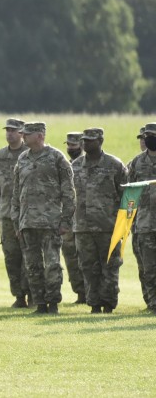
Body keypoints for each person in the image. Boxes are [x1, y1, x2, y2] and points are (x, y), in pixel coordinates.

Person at [11, 122, 75, 314]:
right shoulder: (22, 159)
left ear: (40, 136)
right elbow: (16, 194)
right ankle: (39, 303)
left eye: (27, 134)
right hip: (27, 223)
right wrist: (16, 222)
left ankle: (53, 303)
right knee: (32, 266)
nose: (23, 137)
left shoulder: (57, 158)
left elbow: (69, 193)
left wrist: (66, 221)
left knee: (53, 265)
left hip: (51, 223)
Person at [72, 128, 127, 313]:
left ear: (100, 141)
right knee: (88, 267)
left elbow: (125, 196)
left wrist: (123, 224)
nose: (85, 144)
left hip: (108, 227)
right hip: (83, 227)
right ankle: (94, 304)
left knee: (110, 267)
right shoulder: (76, 166)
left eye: (90, 140)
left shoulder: (114, 165)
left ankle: (109, 304)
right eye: (84, 140)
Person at [0, 118, 30, 308]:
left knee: (29, 256)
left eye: (13, 130)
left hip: (27, 214)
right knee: (11, 257)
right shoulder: (0, 156)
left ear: (22, 133)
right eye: (7, 130)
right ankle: (18, 296)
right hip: (6, 214)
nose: (9, 133)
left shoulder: (29, 154)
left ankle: (33, 294)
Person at [127, 122, 156, 314]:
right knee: (149, 268)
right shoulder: (137, 163)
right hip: (144, 223)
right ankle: (153, 304)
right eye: (146, 136)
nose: (148, 139)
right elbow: (130, 194)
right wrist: (130, 221)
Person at [61, 132, 87, 304]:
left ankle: (91, 292)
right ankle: (80, 293)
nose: (71, 148)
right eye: (69, 145)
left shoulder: (87, 165)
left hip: (86, 220)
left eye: (74, 145)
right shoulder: (66, 165)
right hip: (69, 221)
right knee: (70, 257)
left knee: (86, 257)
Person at [130, 126, 147, 306]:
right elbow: (128, 191)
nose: (143, 140)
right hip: (141, 223)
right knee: (145, 265)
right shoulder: (136, 163)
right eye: (141, 137)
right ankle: (151, 301)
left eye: (147, 137)